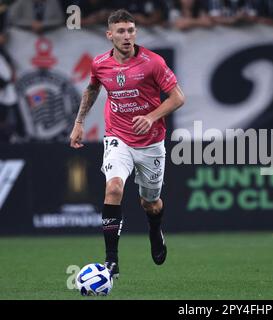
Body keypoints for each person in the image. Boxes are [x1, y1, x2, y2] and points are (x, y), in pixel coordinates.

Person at [69, 9, 185, 278]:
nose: (127, 36)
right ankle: (111, 261)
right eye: (120, 31)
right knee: (113, 188)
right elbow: (92, 89)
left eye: (131, 30)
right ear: (109, 35)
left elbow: (178, 98)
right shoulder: (100, 64)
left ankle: (154, 230)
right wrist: (79, 123)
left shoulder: (152, 62)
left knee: (151, 203)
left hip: (151, 142)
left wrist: (151, 116)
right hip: (118, 137)